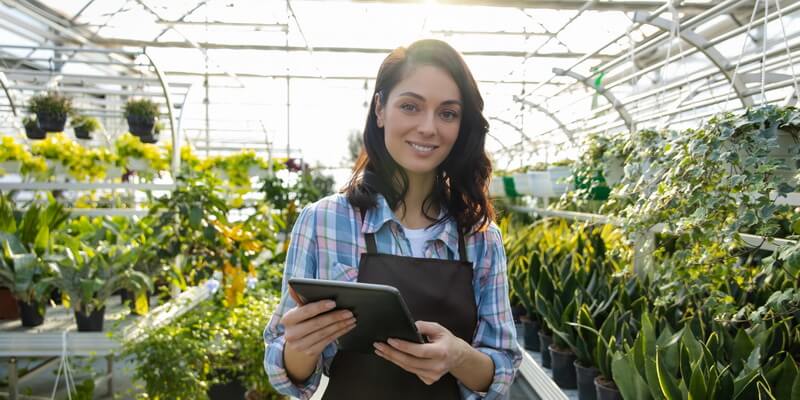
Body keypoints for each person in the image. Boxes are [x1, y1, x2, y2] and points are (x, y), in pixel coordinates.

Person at [263, 39, 522, 400]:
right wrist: (300, 347)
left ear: (462, 125)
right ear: (380, 110)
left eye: (448, 113)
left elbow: (503, 366)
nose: (428, 127)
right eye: (411, 106)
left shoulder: (480, 237)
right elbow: (287, 374)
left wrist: (458, 356)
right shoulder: (323, 222)